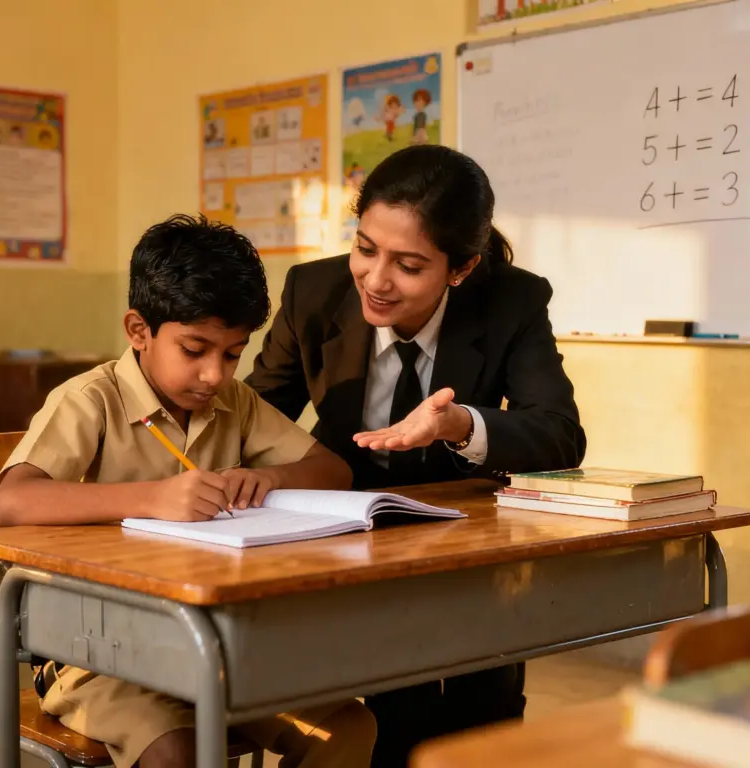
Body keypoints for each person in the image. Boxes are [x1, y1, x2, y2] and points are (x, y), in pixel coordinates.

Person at [0, 214, 376, 768]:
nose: (214, 374)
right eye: (194, 349)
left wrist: (272, 477)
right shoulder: (90, 400)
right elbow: (12, 501)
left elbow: (331, 469)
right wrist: (151, 498)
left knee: (346, 727)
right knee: (177, 753)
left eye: (232, 353)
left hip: (211, 644)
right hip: (97, 653)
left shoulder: (234, 404)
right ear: (138, 330)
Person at [246, 144, 587, 767]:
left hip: (468, 550)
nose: (376, 280)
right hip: (345, 546)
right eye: (365, 248)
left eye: (408, 265)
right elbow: (256, 416)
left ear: (460, 269)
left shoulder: (511, 301)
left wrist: (459, 425)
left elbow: (560, 434)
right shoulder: (312, 292)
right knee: (380, 720)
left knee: (482, 725)